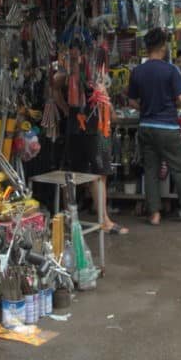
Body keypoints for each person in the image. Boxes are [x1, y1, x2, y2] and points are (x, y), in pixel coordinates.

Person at [128, 29, 181, 226]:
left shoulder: (137, 71)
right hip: (167, 127)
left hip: (146, 126)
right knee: (178, 169)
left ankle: (154, 214)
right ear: (163, 47)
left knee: (150, 170)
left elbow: (132, 101)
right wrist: (170, 104)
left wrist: (146, 106)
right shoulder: (171, 70)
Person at [53, 40, 129, 235]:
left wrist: (109, 109)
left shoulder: (94, 71)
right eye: (72, 53)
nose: (76, 55)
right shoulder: (66, 72)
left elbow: (102, 94)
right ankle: (70, 217)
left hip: (95, 125)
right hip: (77, 125)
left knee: (99, 172)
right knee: (71, 172)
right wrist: (66, 109)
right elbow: (55, 88)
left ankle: (103, 219)